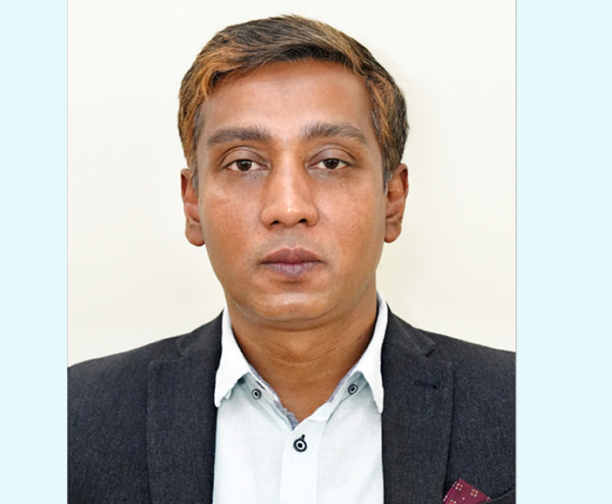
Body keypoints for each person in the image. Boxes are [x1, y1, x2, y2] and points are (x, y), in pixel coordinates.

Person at [68, 15, 514, 504]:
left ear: (392, 199)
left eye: (331, 162)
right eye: (243, 163)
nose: (288, 207)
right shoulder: (74, 420)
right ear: (192, 204)